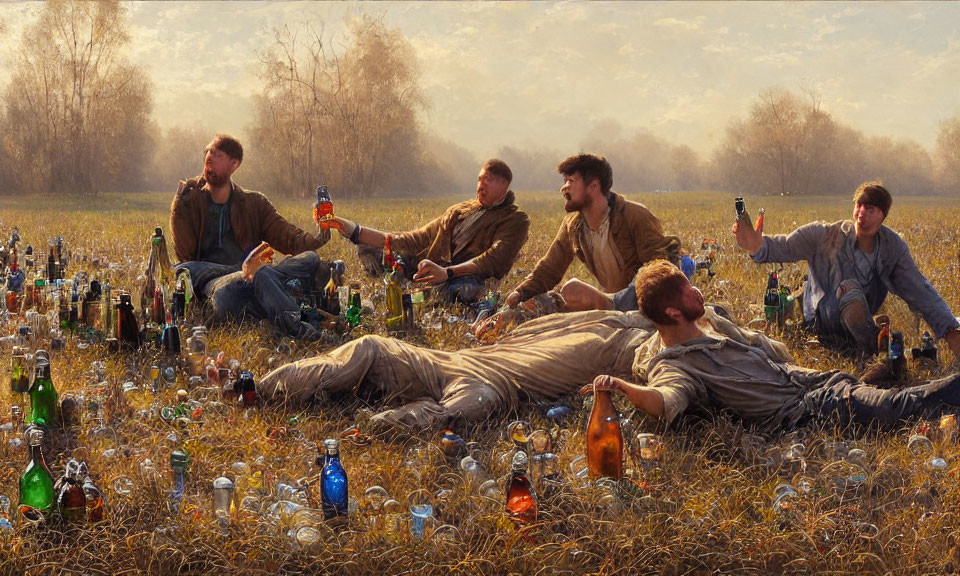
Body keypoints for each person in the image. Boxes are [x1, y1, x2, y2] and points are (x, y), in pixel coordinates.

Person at [257, 292, 777, 429]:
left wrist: (756, 346)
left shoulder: (650, 350)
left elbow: (681, 376)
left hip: (498, 385)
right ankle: (257, 388)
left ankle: (373, 423)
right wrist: (520, 310)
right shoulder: (620, 317)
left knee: (468, 409)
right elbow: (559, 299)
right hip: (461, 360)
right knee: (371, 347)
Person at [583, 260, 960, 430]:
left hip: (815, 382)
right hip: (808, 411)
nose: (696, 290)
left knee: (896, 395)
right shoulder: (672, 365)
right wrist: (621, 387)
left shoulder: (709, 326)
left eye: (689, 281)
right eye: (686, 291)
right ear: (671, 311)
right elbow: (663, 402)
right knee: (907, 405)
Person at [733, 181, 960, 359]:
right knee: (848, 288)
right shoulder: (823, 235)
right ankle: (873, 344)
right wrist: (756, 245)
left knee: (854, 292)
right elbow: (781, 247)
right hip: (821, 322)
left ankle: (868, 333)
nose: (861, 213)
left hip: (856, 320)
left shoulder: (892, 248)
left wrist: (951, 331)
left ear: (883, 215)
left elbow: (920, 291)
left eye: (870, 209)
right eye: (858, 206)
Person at [170, 134, 335, 340]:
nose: (209, 158)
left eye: (217, 155)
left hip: (252, 273)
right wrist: (180, 205)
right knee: (220, 293)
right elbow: (185, 255)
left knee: (310, 259)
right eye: (208, 153)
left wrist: (321, 234)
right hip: (217, 280)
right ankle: (296, 321)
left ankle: (274, 289)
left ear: (234, 164)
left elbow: (287, 236)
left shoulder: (253, 203)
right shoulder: (191, 199)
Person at [325, 159, 529, 304]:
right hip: (431, 268)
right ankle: (411, 284)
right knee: (366, 249)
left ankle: (414, 289)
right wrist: (352, 230)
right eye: (479, 179)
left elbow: (493, 260)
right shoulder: (459, 210)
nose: (481, 185)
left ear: (504, 185)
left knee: (466, 291)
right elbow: (415, 238)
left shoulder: (515, 219)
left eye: (489, 180)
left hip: (464, 277)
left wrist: (446, 272)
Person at [504, 153, 681, 312]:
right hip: (612, 304)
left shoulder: (635, 215)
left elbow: (657, 271)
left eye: (571, 182)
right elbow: (549, 268)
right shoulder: (573, 225)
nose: (564, 188)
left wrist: (618, 304)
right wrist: (520, 293)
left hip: (649, 304)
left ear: (594, 186)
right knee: (559, 298)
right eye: (564, 182)